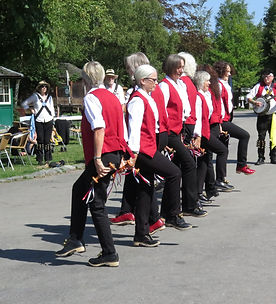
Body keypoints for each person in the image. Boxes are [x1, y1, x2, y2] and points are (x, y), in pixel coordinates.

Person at [56, 61, 128, 267]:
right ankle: (75, 239)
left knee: (96, 203)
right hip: (113, 152)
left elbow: (99, 128)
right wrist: (122, 153)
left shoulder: (91, 97)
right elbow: (120, 126)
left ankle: (109, 252)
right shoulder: (113, 97)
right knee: (79, 189)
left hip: (103, 154)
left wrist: (96, 158)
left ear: (85, 79)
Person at [127, 64, 190, 247]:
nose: (156, 82)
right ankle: (170, 214)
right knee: (174, 172)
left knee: (146, 190)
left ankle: (141, 234)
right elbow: (134, 128)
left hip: (149, 146)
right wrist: (134, 153)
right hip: (143, 149)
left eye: (155, 79)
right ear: (142, 81)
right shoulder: (137, 100)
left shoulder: (147, 97)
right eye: (152, 80)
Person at [159, 54, 207, 217]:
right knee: (188, 163)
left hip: (180, 130)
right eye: (179, 67)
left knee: (177, 168)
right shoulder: (165, 86)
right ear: (171, 67)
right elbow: (162, 111)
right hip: (170, 132)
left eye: (182, 67)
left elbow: (185, 108)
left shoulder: (179, 84)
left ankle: (169, 210)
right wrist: (165, 135)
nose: (181, 71)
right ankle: (188, 204)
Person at [213, 61, 255, 186]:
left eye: (230, 71)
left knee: (223, 149)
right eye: (227, 71)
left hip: (226, 118)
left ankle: (221, 179)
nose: (230, 73)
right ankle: (241, 165)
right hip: (222, 120)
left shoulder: (225, 84)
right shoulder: (219, 85)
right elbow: (218, 105)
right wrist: (220, 122)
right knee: (244, 135)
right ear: (221, 71)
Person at [193, 70, 228, 202]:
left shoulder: (206, 94)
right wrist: (197, 135)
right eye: (207, 81)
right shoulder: (198, 97)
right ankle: (219, 179)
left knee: (204, 161)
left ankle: (199, 192)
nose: (209, 83)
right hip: (202, 133)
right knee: (222, 150)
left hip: (206, 131)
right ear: (201, 82)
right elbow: (197, 117)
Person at [21, 80, 55, 166]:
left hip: (48, 120)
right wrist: (30, 109)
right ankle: (39, 159)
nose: (44, 88)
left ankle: (48, 159)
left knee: (47, 140)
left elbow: (52, 109)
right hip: (39, 120)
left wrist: (53, 120)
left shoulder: (49, 98)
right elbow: (24, 103)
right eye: (42, 86)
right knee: (40, 140)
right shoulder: (35, 96)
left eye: (45, 86)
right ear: (39, 88)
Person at [246, 69, 276, 164]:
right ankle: (261, 157)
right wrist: (254, 102)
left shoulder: (275, 86)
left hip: (274, 116)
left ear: (272, 77)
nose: (266, 78)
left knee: (274, 137)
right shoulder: (259, 86)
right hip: (262, 116)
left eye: (269, 76)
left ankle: (274, 157)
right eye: (265, 76)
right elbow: (248, 97)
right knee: (261, 137)